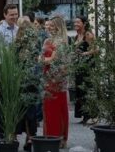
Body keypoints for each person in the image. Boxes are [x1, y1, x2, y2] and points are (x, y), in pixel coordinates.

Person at [41, 17, 69, 145]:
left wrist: (45, 60)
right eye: (48, 25)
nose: (49, 27)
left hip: (57, 79)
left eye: (52, 25)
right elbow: (41, 58)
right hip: (47, 77)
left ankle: (59, 138)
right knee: (48, 109)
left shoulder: (62, 42)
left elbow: (56, 61)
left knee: (58, 109)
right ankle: (49, 136)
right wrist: (45, 60)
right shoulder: (47, 40)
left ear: (58, 26)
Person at [73, 17, 95, 124]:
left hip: (87, 66)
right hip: (78, 66)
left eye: (78, 22)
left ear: (84, 24)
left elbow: (96, 49)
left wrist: (84, 54)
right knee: (80, 90)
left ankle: (90, 115)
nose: (75, 23)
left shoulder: (88, 35)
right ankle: (84, 115)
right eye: (75, 22)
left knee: (86, 90)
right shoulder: (77, 36)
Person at [0, 4, 21, 77]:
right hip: (4, 73)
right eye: (11, 15)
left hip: (17, 72)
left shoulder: (18, 30)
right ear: (5, 15)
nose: (15, 17)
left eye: (16, 14)